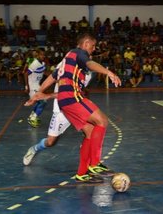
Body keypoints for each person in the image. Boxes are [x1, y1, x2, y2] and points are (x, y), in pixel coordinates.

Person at [25, 33, 121, 183]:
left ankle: (82, 173)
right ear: (86, 43)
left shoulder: (67, 58)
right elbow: (89, 63)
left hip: (65, 100)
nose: (93, 49)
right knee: (102, 120)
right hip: (71, 97)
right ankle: (95, 164)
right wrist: (108, 72)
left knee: (90, 131)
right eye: (93, 46)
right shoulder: (79, 53)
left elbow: (52, 77)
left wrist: (39, 93)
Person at [23, 70, 92, 166]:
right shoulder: (66, 69)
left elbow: (82, 91)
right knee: (50, 142)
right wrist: (42, 95)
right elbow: (65, 93)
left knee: (91, 131)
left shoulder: (88, 74)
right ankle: (34, 149)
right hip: (61, 109)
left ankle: (90, 161)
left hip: (76, 107)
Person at [25, 48, 47, 127]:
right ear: (37, 55)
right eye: (41, 54)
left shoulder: (43, 63)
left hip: (37, 85)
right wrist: (27, 86)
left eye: (44, 54)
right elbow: (26, 74)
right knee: (43, 101)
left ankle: (32, 117)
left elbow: (45, 72)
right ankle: (33, 117)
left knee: (40, 102)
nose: (43, 56)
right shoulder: (34, 64)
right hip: (32, 86)